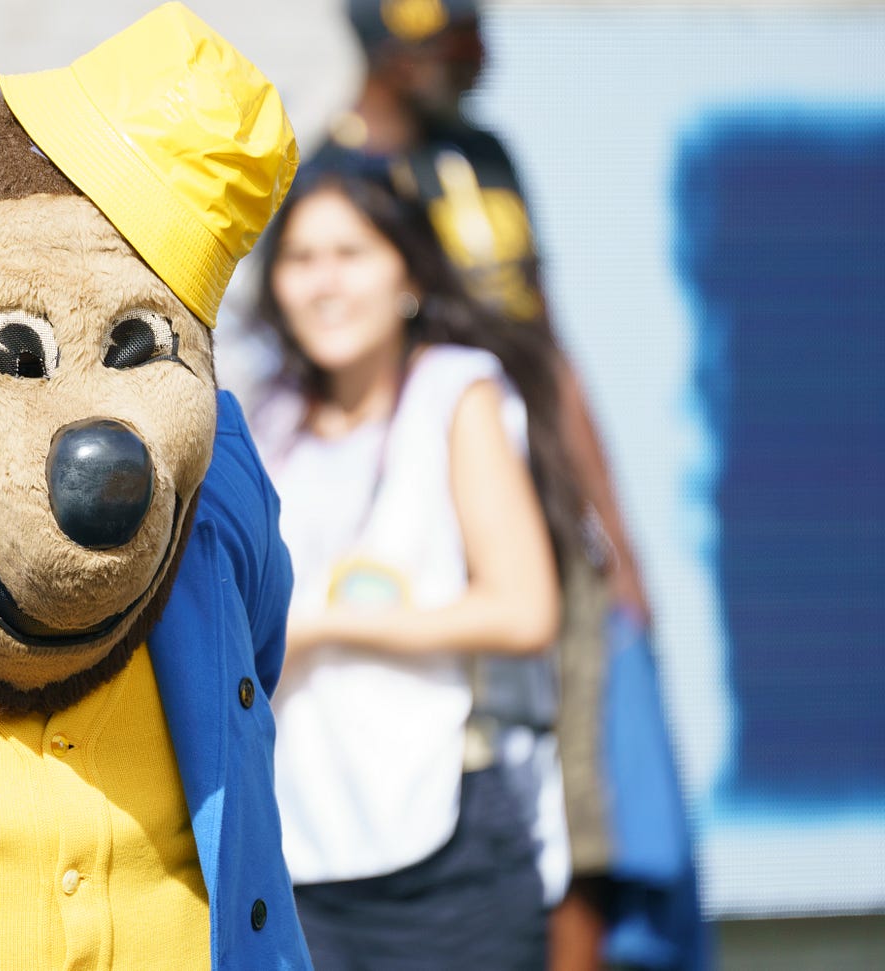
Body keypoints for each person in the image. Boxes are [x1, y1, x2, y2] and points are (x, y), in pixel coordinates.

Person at [318, 3, 707, 968]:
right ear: (392, 50)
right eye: (455, 48)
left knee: (587, 804)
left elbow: (549, 343)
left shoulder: (485, 154)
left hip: (542, 515)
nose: (477, 67)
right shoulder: (334, 182)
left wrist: (614, 535)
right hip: (428, 545)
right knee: (476, 784)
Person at [247, 160, 580, 970]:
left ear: (409, 273)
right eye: (301, 258)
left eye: (351, 253)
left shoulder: (455, 390)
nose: (325, 283)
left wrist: (320, 624)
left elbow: (524, 609)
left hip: (448, 838)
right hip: (298, 844)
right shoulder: (265, 412)